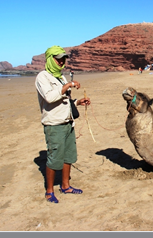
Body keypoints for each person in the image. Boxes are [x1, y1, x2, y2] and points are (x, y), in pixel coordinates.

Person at [35, 45, 91, 203]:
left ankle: (66, 186)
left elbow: (66, 100)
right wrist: (68, 86)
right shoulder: (42, 77)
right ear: (50, 59)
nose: (61, 62)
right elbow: (50, 98)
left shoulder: (61, 77)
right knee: (54, 158)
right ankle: (49, 191)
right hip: (54, 124)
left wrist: (78, 102)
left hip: (68, 123)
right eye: (58, 59)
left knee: (68, 157)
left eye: (63, 59)